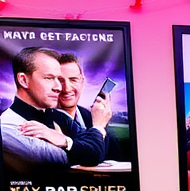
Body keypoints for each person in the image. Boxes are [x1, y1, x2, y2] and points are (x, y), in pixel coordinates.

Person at [0, 45, 112, 176]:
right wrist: (97, 128)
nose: (59, 88)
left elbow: (95, 151)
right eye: (49, 78)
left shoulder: (58, 116)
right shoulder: (7, 128)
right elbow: (58, 162)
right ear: (24, 80)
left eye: (58, 79)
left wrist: (64, 140)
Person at [57, 54, 94, 129]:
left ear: (82, 82)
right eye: (60, 81)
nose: (67, 89)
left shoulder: (90, 116)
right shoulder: (42, 122)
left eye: (73, 80)